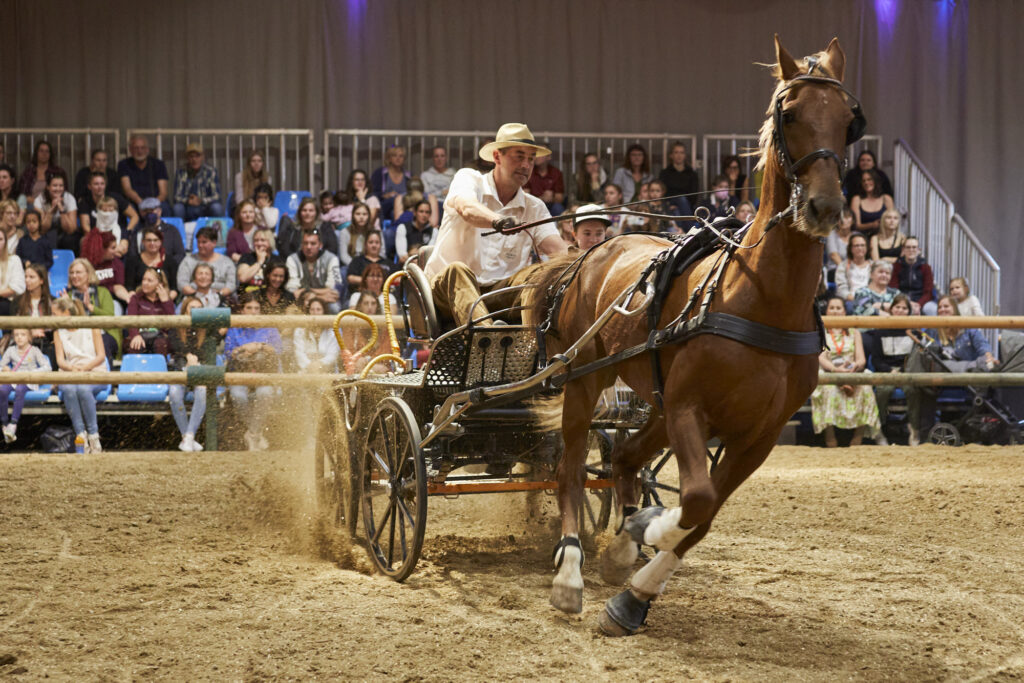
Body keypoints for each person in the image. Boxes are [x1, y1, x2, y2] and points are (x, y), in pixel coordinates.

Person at [423, 123, 566, 327]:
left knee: (538, 274)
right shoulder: (469, 178)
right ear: (497, 157)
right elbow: (466, 207)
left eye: (531, 159)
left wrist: (587, 260)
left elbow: (558, 251)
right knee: (457, 271)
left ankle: (543, 344)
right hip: (446, 293)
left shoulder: (534, 207)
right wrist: (498, 221)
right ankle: (487, 339)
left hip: (498, 295)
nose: (526, 165)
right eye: (519, 156)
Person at [904, 295, 998, 446]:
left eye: (946, 306)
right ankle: (924, 437)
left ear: (955, 309)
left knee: (990, 377)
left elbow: (984, 348)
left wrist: (988, 357)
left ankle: (983, 432)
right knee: (926, 387)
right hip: (939, 376)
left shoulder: (969, 329)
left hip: (967, 375)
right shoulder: (932, 330)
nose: (942, 309)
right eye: (940, 307)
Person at [811, 297, 882, 447]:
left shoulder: (854, 331)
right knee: (827, 388)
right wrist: (836, 370)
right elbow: (820, 357)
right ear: (826, 311)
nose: (835, 311)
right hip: (829, 370)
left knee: (866, 386)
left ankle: (858, 438)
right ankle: (830, 438)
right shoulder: (821, 330)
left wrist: (854, 367)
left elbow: (861, 359)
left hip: (852, 370)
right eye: (832, 308)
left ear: (845, 311)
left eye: (839, 308)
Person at [222, 292, 281, 451]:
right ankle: (257, 433)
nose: (253, 311)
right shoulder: (234, 328)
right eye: (249, 307)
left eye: (257, 308)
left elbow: (278, 351)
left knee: (265, 393)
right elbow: (228, 353)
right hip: (239, 375)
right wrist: (243, 348)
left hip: (263, 374)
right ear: (242, 310)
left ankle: (252, 434)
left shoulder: (269, 326)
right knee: (238, 395)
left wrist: (259, 346)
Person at [52, 297, 106, 454]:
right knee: (69, 389)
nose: (52, 317)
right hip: (70, 372)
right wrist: (72, 368)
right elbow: (60, 361)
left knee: (83, 389)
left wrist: (86, 368)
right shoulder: (58, 332)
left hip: (95, 370)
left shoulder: (91, 326)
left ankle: (94, 435)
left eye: (55, 314)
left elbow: (101, 355)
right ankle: (80, 434)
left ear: (66, 312)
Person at [868, 293, 915, 443]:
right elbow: (875, 359)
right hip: (886, 371)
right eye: (897, 307)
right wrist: (890, 371)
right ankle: (878, 430)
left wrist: (902, 372)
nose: (900, 310)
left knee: (913, 390)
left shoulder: (912, 332)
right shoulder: (881, 331)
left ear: (909, 312)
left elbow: (914, 358)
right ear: (891, 309)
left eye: (904, 308)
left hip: (907, 371)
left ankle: (914, 430)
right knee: (883, 390)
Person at [167, 296, 209, 452]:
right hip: (180, 369)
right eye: (192, 307)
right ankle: (187, 437)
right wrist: (187, 356)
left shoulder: (206, 328)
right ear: (185, 309)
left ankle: (189, 436)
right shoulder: (176, 326)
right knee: (174, 393)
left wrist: (194, 359)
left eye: (199, 308)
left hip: (199, 370)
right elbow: (174, 346)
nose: (195, 311)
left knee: (202, 391)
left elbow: (207, 349)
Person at [0, 328, 51, 444]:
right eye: (16, 335)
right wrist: (4, 369)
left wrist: (32, 373)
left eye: (23, 335)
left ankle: (13, 424)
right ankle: (4, 423)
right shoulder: (11, 350)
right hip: (14, 379)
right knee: (2, 390)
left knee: (20, 389)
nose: (19, 337)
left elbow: (47, 367)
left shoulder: (34, 350)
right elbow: (1, 365)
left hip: (28, 381)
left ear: (29, 337)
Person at [64, 258, 120, 359]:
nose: (74, 276)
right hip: (77, 336)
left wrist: (91, 308)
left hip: (103, 334)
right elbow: (63, 322)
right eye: (71, 273)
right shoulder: (67, 295)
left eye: (78, 272)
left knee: (101, 343)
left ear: (88, 274)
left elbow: (110, 318)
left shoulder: (103, 292)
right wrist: (67, 306)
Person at [286, 229, 342, 313]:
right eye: (305, 243)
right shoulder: (292, 259)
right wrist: (319, 294)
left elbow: (334, 290)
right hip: (302, 300)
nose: (309, 247)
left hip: (324, 302)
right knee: (289, 308)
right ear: (301, 245)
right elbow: (293, 291)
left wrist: (309, 294)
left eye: (313, 243)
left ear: (320, 245)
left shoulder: (332, 259)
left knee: (334, 307)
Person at [78, 175, 136, 254]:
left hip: (118, 232)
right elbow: (86, 227)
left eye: (102, 184)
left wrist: (126, 233)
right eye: (96, 184)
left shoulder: (116, 198)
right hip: (97, 234)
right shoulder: (85, 202)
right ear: (89, 186)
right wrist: (96, 240)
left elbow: (134, 216)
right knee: (84, 241)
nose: (99, 187)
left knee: (124, 245)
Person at [176, 226, 236, 302]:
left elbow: (231, 284)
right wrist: (199, 296)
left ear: (214, 243)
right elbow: (182, 283)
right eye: (198, 242)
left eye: (204, 242)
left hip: (221, 299)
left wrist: (216, 296)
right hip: (194, 299)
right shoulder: (188, 261)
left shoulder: (226, 262)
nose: (200, 245)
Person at [124, 268, 175, 355]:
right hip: (140, 333)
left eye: (149, 280)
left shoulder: (166, 300)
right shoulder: (136, 298)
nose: (145, 283)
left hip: (159, 335)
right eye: (144, 279)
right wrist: (135, 335)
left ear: (160, 284)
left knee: (161, 344)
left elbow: (172, 323)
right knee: (135, 345)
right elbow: (131, 319)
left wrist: (165, 302)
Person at [14, 264, 55, 366]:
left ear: (42, 280)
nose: (27, 280)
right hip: (23, 340)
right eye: (26, 277)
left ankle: (52, 380)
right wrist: (30, 332)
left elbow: (56, 327)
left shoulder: (53, 301)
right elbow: (14, 325)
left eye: (31, 277)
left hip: (47, 340)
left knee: (53, 350)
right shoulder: (17, 301)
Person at [118, 135, 170, 213]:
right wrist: (142, 203)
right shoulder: (124, 164)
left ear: (147, 150)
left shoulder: (159, 164)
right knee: (128, 209)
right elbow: (127, 189)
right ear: (130, 150)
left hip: (156, 202)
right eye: (136, 148)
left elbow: (163, 192)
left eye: (143, 148)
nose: (140, 151)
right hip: (134, 202)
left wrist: (152, 205)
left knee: (165, 208)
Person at [172, 143, 224, 221]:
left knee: (217, 207)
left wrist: (201, 200)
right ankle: (179, 232)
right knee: (177, 208)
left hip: (205, 207)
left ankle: (217, 232)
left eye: (197, 156)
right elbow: (176, 196)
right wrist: (188, 201)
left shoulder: (211, 171)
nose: (194, 159)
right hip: (187, 207)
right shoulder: (181, 171)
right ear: (187, 158)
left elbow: (217, 196)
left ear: (203, 157)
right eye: (191, 156)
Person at [124, 225, 178, 298]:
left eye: (155, 240)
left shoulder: (170, 261)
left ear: (161, 242)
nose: (152, 243)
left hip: (164, 300)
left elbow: (174, 288)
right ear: (143, 242)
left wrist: (167, 301)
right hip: (139, 301)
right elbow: (129, 287)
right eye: (149, 240)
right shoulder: (133, 261)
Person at [127, 197, 186, 264]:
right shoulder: (138, 232)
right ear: (141, 213)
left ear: (159, 211)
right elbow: (132, 255)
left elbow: (180, 254)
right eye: (146, 211)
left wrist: (165, 265)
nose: (149, 214)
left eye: (152, 210)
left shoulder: (171, 230)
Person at [80, 229, 131, 305]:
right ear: (101, 249)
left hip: (110, 300)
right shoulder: (85, 264)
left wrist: (128, 297)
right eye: (113, 248)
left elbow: (117, 287)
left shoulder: (117, 264)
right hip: (88, 298)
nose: (116, 251)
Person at [889, 236, 937, 316]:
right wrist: (907, 303)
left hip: (921, 301)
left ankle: (932, 329)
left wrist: (918, 304)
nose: (911, 250)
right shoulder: (896, 266)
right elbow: (894, 288)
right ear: (903, 250)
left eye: (914, 247)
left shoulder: (926, 267)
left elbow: (928, 292)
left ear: (919, 250)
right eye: (908, 247)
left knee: (932, 309)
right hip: (901, 300)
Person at [34, 172, 80, 252]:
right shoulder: (39, 200)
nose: (58, 189)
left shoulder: (69, 198)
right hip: (47, 232)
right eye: (55, 186)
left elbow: (71, 229)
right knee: (50, 236)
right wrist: (51, 211)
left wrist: (61, 210)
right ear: (48, 187)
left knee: (70, 239)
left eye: (61, 186)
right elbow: (42, 230)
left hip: (65, 233)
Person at [293, 297, 339, 372]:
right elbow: (299, 354)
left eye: (318, 309)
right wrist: (310, 366)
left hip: (327, 372)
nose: (315, 313)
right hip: (305, 372)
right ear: (308, 312)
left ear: (324, 312)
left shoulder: (332, 333)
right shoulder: (299, 331)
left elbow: (332, 355)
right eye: (312, 309)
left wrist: (319, 364)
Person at [850, 169, 894, 236]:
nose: (866, 183)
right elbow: (856, 225)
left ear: (876, 181)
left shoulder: (886, 198)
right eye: (863, 181)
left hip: (883, 236)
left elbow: (892, 221)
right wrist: (872, 225)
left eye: (869, 179)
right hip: (862, 237)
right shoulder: (856, 199)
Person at [658, 142, 699, 213]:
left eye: (682, 152)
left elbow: (694, 196)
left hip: (687, 205)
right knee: (679, 203)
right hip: (669, 204)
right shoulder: (665, 173)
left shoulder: (692, 174)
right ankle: (691, 224)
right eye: (676, 152)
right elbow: (663, 193)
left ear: (685, 155)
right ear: (671, 155)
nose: (679, 155)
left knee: (677, 210)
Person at [371, 145, 410, 220]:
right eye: (394, 155)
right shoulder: (380, 173)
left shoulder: (408, 175)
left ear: (404, 159)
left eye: (401, 156)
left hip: (404, 206)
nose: (398, 158)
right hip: (385, 205)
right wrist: (384, 195)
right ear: (389, 158)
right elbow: (372, 193)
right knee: (393, 201)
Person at [835, 232, 871, 309]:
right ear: (851, 248)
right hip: (850, 300)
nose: (860, 248)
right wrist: (856, 300)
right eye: (856, 245)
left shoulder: (873, 266)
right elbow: (841, 288)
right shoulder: (843, 266)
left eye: (862, 245)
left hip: (870, 299)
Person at [395, 199, 434, 264]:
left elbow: (431, 255)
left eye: (427, 212)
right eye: (421, 211)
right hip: (407, 264)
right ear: (415, 213)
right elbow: (402, 255)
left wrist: (413, 253)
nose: (424, 215)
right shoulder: (403, 228)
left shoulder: (434, 231)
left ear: (430, 214)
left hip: (426, 266)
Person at [337, 202, 373, 268]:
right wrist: (356, 266)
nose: (361, 217)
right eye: (358, 214)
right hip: (351, 264)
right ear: (353, 215)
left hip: (370, 265)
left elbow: (381, 254)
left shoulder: (374, 232)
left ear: (369, 216)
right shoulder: (345, 232)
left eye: (364, 214)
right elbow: (343, 256)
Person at [825, 207, 854, 283]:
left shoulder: (857, 236)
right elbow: (834, 255)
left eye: (846, 217)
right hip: (835, 270)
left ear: (852, 220)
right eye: (840, 218)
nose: (843, 220)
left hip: (854, 270)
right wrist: (846, 270)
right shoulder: (831, 234)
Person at [0, 227, 24, 316]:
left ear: (5, 242)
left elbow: (16, 287)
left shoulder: (14, 260)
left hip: (7, 302)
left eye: (0, 239)